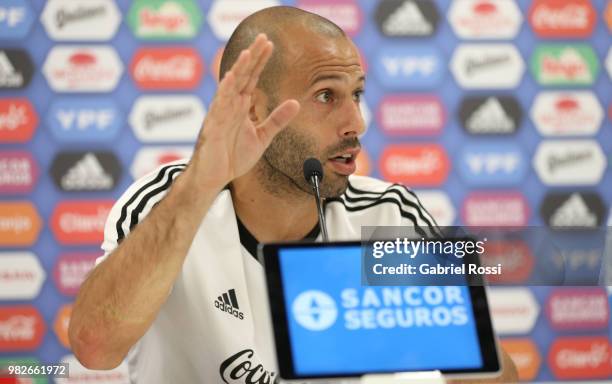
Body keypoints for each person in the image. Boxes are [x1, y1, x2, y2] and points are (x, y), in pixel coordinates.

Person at [69, 6, 518, 384]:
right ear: (254, 109)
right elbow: (94, 348)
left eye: (356, 94)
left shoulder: (386, 213)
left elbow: (496, 377)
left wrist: (446, 328)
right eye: (326, 96)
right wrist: (200, 185)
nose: (355, 123)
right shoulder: (165, 202)